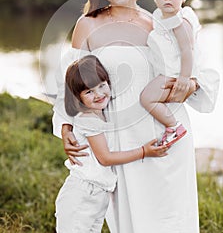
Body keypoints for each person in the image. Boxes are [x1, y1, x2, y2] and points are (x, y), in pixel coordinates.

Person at [52, 0, 219, 233]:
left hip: (168, 135)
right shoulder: (87, 24)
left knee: (171, 217)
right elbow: (69, 82)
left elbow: (201, 70)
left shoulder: (162, 21)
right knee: (132, 220)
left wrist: (189, 84)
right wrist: (67, 127)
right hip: (122, 139)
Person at [55, 55, 168, 232]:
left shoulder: (100, 112)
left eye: (102, 85)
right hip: (83, 193)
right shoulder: (88, 119)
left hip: (97, 194)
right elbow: (105, 158)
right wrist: (144, 151)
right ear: (78, 97)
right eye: (89, 92)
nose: (99, 94)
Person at [140, 0, 201, 147]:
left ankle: (173, 126)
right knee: (148, 97)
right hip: (167, 71)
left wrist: (184, 77)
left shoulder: (179, 21)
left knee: (146, 98)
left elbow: (187, 50)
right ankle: (170, 124)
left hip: (173, 73)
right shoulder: (161, 18)